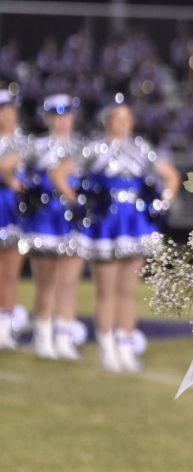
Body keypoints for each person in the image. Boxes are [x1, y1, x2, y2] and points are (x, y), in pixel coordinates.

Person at [53, 100, 180, 372]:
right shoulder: (93, 149)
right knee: (106, 290)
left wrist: (163, 202)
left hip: (134, 225)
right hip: (104, 225)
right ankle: (106, 345)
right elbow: (60, 173)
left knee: (128, 290)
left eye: (127, 118)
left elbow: (171, 175)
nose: (123, 122)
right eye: (117, 118)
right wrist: (78, 202)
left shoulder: (140, 149)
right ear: (107, 120)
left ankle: (125, 345)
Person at [20, 94, 85, 360]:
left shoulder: (84, 147)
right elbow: (16, 173)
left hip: (75, 217)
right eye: (56, 116)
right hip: (45, 217)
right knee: (46, 281)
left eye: (66, 115)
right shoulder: (34, 147)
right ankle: (43, 336)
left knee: (69, 281)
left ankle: (64, 337)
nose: (61, 121)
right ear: (47, 118)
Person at [0, 90, 27, 349]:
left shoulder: (23, 142)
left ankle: (5, 329)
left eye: (10, 111)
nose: (7, 116)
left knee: (10, 272)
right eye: (2, 111)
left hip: (14, 208)